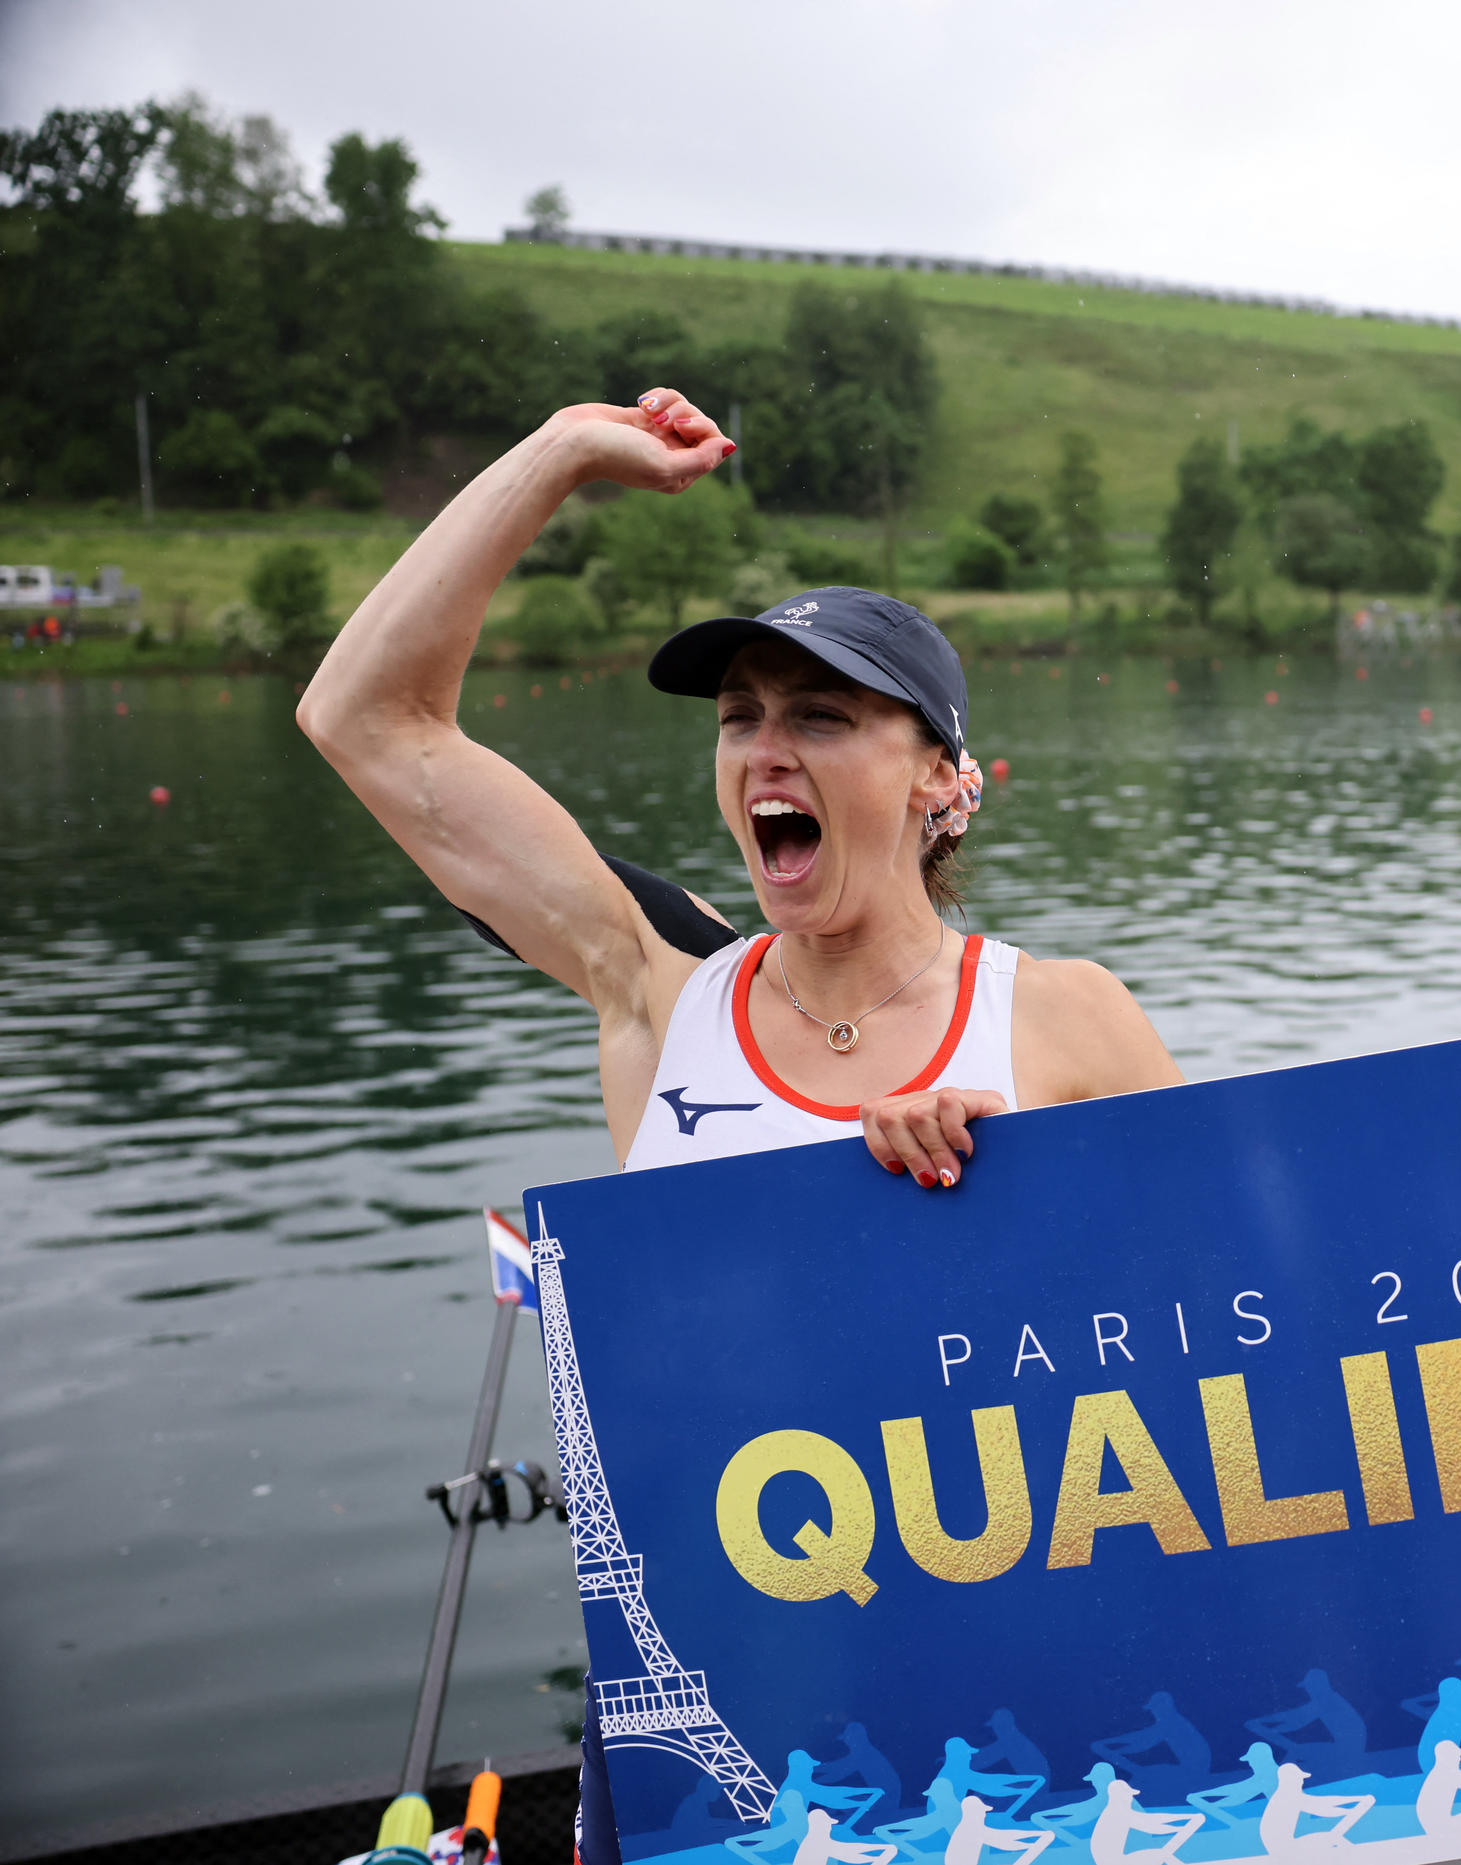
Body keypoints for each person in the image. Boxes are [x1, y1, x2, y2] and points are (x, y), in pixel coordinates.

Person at [296, 388, 1182, 1865]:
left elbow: (1250, 1335)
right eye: (740, 719)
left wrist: (1024, 1208)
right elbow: (365, 718)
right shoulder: (658, 990)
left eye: (821, 716)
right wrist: (568, 452)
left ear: (943, 780)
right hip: (719, 1695)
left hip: (1012, 1698)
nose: (766, 752)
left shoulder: (1064, 1020)